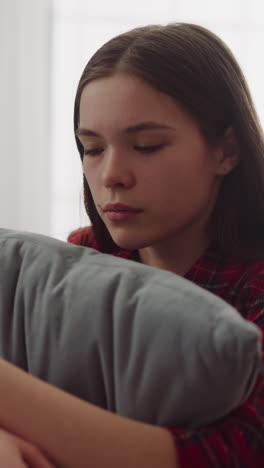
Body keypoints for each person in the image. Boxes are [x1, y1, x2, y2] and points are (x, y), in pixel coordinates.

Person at [0, 22, 263, 467]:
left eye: (146, 146)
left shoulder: (252, 292)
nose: (111, 176)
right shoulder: (85, 256)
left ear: (227, 151)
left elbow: (225, 455)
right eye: (92, 149)